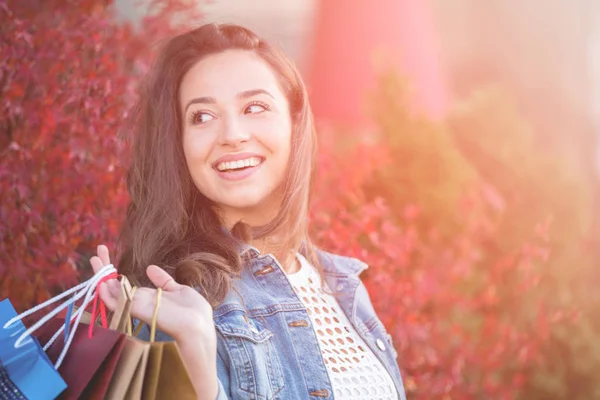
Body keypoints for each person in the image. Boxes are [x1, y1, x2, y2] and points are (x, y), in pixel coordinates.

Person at [91, 23, 407, 400]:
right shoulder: (176, 301)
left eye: (254, 107)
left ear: (294, 121)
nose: (233, 133)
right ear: (178, 145)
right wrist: (195, 352)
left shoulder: (345, 286)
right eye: (202, 117)